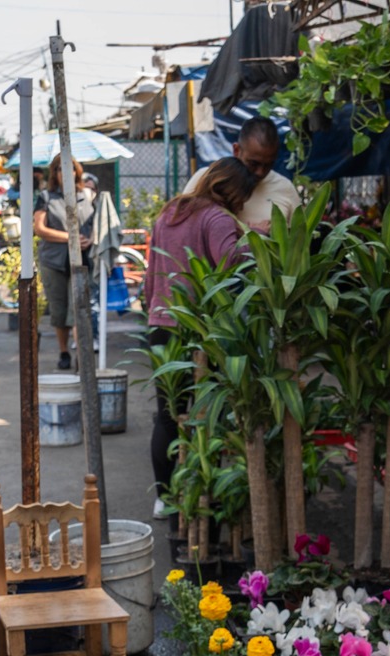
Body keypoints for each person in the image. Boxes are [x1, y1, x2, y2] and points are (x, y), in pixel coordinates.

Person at [139, 157, 255, 516]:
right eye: (243, 196)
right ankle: (203, 497)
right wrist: (257, 238)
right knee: (207, 414)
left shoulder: (170, 211)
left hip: (161, 325)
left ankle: (164, 498)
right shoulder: (217, 217)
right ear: (233, 191)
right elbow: (228, 262)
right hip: (198, 329)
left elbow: (151, 274)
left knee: (168, 415)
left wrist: (154, 312)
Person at [182, 116, 300, 233]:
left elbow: (299, 237)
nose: (260, 172)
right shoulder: (207, 179)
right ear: (236, 150)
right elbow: (184, 232)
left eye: (268, 165)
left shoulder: (285, 188)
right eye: (253, 163)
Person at [32, 158, 95, 370]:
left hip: (81, 260)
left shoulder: (86, 195)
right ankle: (64, 351)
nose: (66, 172)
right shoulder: (46, 197)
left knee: (78, 308)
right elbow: (40, 229)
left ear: (77, 172)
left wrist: (90, 239)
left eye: (70, 168)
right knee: (59, 311)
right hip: (54, 262)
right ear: (54, 173)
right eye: (60, 169)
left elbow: (95, 224)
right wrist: (70, 237)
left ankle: (81, 355)